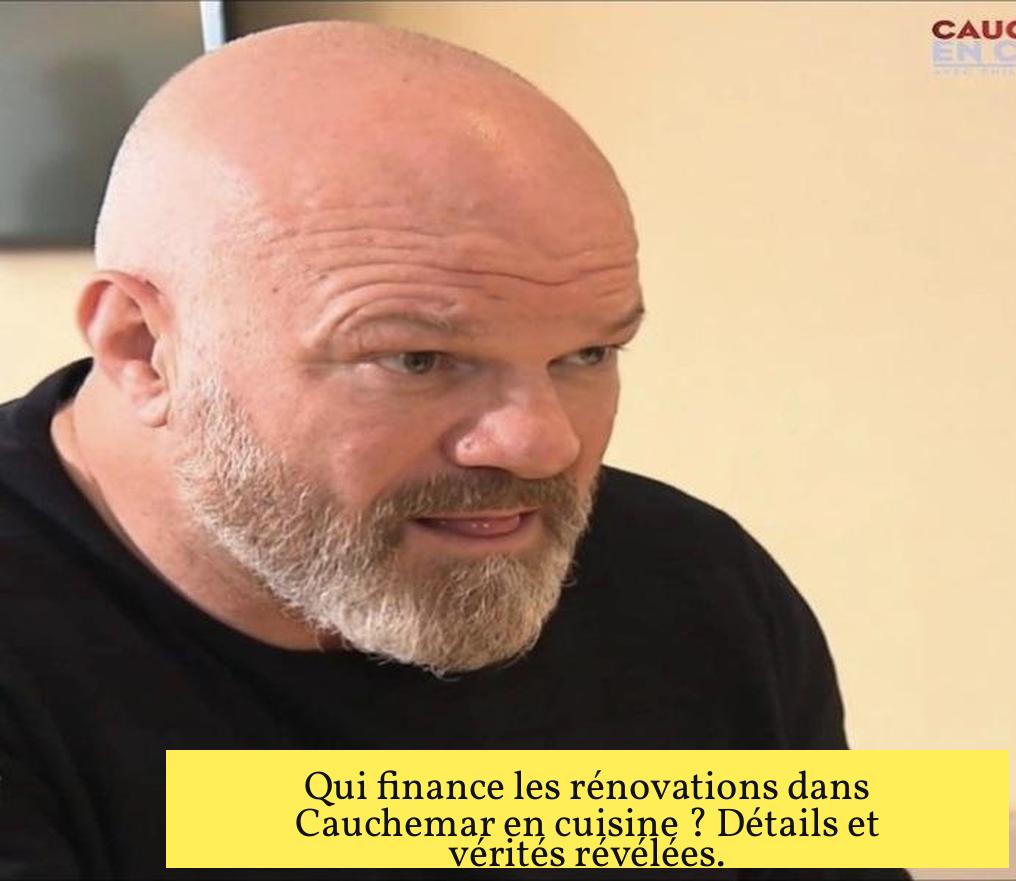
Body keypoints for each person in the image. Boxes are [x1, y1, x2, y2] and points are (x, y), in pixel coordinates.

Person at [0, 21, 907, 881]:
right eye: (417, 359)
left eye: (587, 353)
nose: (542, 445)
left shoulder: (695, 584)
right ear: (140, 348)